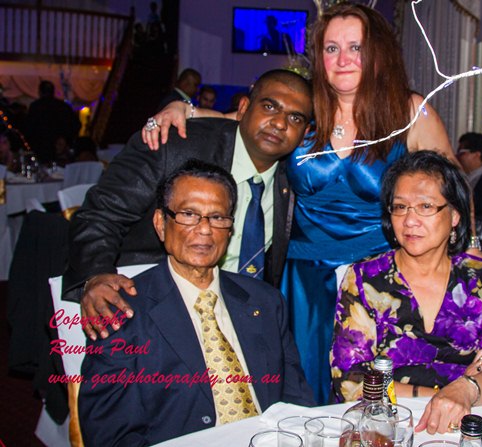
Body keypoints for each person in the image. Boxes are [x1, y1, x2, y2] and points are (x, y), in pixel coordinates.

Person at [144, 3, 460, 404]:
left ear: (377, 52)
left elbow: (452, 192)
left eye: (355, 47)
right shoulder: (307, 106)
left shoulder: (410, 110)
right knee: (305, 388)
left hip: (381, 278)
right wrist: (183, 108)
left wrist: (464, 260)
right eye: (331, 48)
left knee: (376, 392)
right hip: (304, 280)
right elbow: (242, 121)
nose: (342, 59)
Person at [63, 69, 312, 343]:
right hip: (146, 307)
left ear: (304, 134)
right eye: (269, 106)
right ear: (242, 109)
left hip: (237, 321)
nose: (279, 123)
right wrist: (96, 275)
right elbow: (101, 213)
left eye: (295, 118)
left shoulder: (297, 180)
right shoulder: (173, 144)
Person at [78, 160, 314, 446]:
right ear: (160, 224)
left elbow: (296, 401)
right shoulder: (121, 311)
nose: (204, 229)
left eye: (217, 217)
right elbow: (109, 433)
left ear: (230, 229)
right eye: (188, 214)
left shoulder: (265, 301)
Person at [330, 151, 482, 434]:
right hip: (385, 426)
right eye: (400, 207)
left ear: (455, 215)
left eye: (425, 206)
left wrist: (466, 389)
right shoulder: (366, 279)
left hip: (463, 424)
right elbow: (351, 381)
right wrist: (450, 393)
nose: (409, 220)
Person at [24, 80, 80, 163]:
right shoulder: (63, 106)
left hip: (41, 148)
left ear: (40, 92)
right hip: (58, 149)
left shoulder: (36, 107)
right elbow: (76, 125)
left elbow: (29, 128)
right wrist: (66, 139)